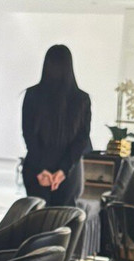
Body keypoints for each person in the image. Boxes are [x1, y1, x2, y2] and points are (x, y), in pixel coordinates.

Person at [21, 44, 91, 207]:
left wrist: (42, 169)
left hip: (36, 169)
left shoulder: (32, 95)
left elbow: (29, 135)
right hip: (69, 174)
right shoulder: (82, 100)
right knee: (64, 219)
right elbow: (82, 139)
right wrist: (63, 171)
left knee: (38, 218)